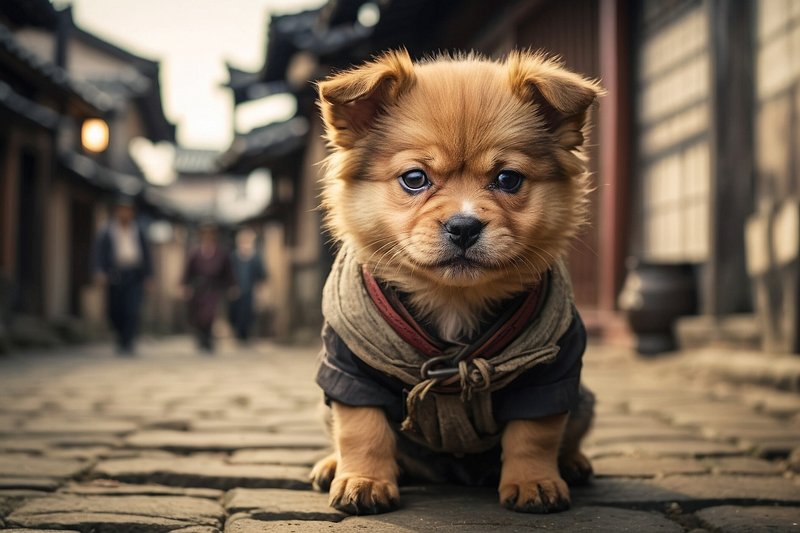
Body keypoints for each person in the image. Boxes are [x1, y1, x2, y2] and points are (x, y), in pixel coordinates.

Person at [94, 195, 153, 355]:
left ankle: (129, 341)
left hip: (134, 274)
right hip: (115, 274)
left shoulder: (138, 230)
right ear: (116, 212)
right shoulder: (107, 231)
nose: (124, 214)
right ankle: (121, 337)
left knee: (132, 309)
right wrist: (99, 271)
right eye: (121, 210)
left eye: (127, 210)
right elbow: (99, 254)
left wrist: (148, 276)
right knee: (115, 309)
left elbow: (147, 255)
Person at [182, 222, 236, 352]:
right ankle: (201, 339)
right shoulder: (195, 252)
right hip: (199, 288)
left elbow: (228, 271)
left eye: (211, 234)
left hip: (213, 287)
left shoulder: (221, 253)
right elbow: (187, 271)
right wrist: (184, 285)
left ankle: (208, 339)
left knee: (210, 315)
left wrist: (232, 285)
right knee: (198, 316)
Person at [228, 228, 267, 342]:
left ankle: (245, 335)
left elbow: (262, 275)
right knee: (235, 313)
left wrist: (261, 291)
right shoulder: (234, 257)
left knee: (249, 313)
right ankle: (238, 333)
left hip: (251, 291)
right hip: (236, 290)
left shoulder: (256, 258)